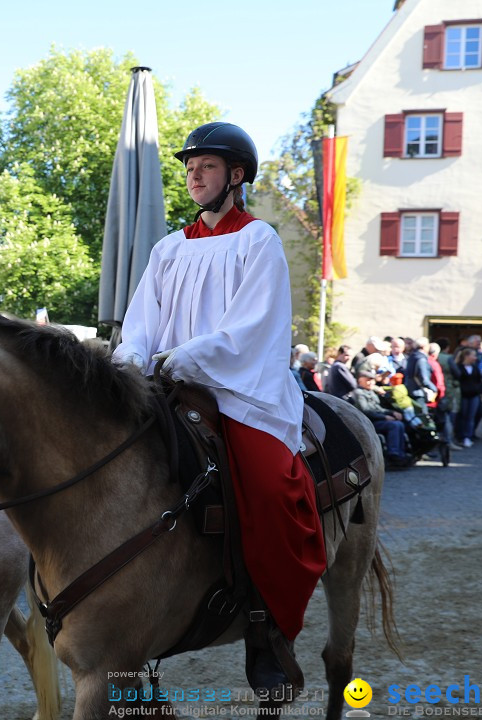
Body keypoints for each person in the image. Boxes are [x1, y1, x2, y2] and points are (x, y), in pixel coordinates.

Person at [111, 122, 325, 693]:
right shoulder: (167, 248)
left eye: (205, 166)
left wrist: (182, 358)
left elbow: (251, 328)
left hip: (236, 387)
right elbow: (139, 323)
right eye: (189, 167)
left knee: (271, 487)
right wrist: (133, 361)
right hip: (162, 381)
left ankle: (267, 630)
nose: (193, 175)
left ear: (236, 176)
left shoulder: (260, 240)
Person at [349, 369, 412, 468]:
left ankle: (401, 453)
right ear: (360, 381)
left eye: (372, 380)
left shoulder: (371, 392)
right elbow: (365, 411)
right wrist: (385, 417)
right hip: (369, 422)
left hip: (379, 419)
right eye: (367, 380)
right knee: (394, 425)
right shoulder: (358, 393)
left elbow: (378, 408)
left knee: (400, 423)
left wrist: (391, 412)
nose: (370, 382)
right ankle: (393, 453)